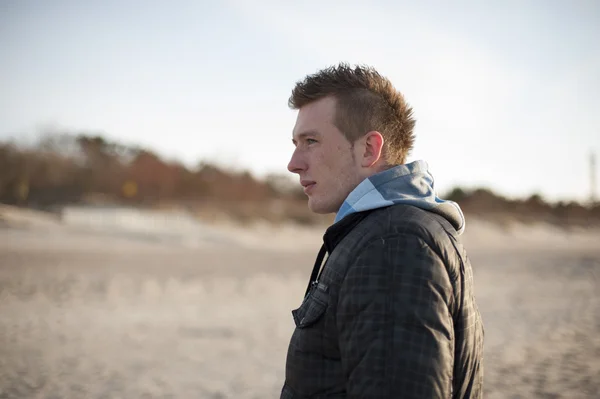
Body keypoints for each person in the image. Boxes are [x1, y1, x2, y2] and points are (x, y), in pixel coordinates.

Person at [280, 63, 484, 399]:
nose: (293, 163)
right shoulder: (388, 232)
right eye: (296, 143)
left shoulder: (393, 245)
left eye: (311, 141)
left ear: (369, 149)